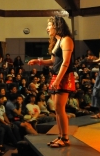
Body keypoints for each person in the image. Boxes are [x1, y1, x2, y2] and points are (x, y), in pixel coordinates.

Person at [28, 16, 75, 148]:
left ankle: (65, 138)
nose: (47, 28)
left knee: (60, 109)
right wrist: (38, 61)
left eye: (49, 25)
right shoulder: (57, 41)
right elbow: (53, 61)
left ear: (57, 26)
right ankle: (60, 136)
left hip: (63, 77)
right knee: (57, 110)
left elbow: (65, 62)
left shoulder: (66, 40)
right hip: (56, 75)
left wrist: (59, 79)